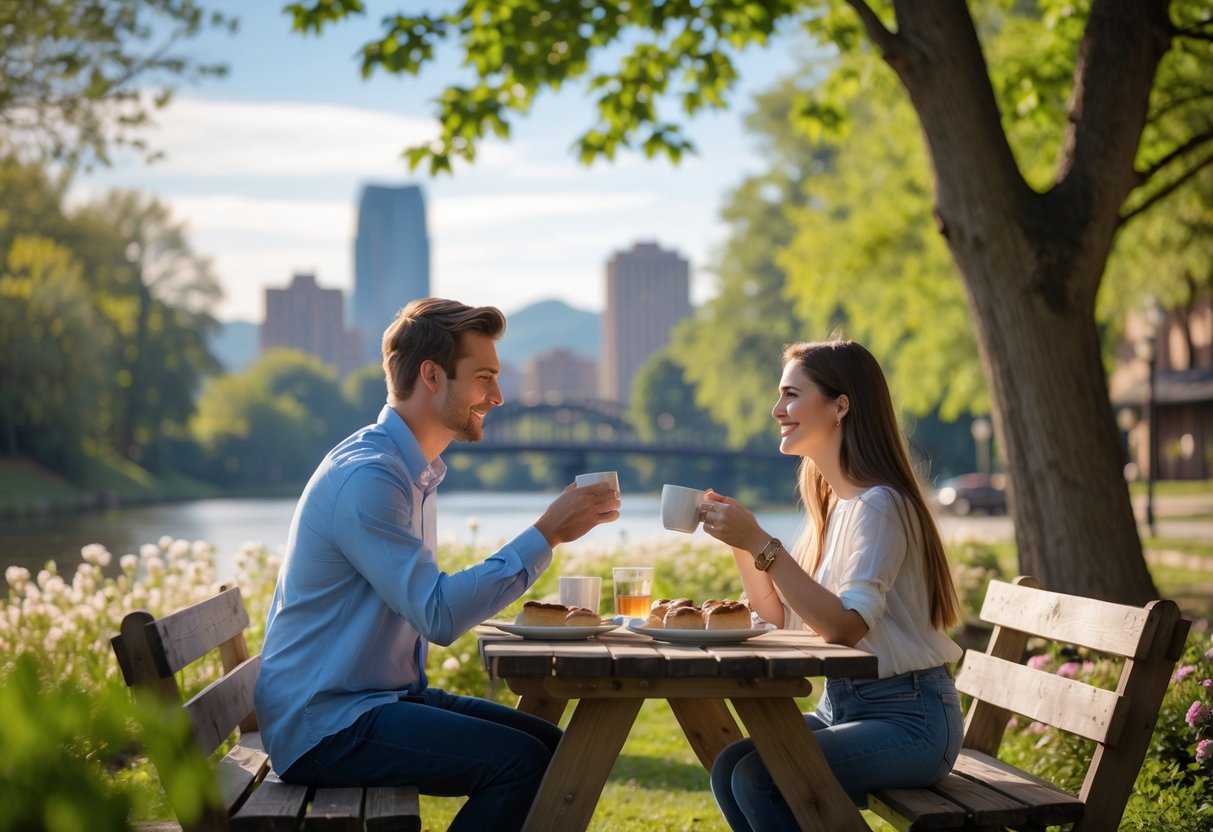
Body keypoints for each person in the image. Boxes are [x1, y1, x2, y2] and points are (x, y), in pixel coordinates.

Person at [253, 298, 620, 832]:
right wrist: (546, 534)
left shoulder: (410, 471)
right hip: (325, 724)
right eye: (483, 378)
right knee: (524, 764)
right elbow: (438, 614)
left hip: (376, 697)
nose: (496, 397)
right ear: (431, 375)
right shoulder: (371, 478)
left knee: (559, 751)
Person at [699, 339, 964, 829]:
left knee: (759, 777)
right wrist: (741, 541)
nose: (777, 409)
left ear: (840, 405)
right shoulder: (835, 505)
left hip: (910, 721)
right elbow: (780, 617)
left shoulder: (881, 505)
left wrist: (761, 543)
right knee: (730, 767)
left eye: (791, 395)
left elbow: (844, 628)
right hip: (844, 708)